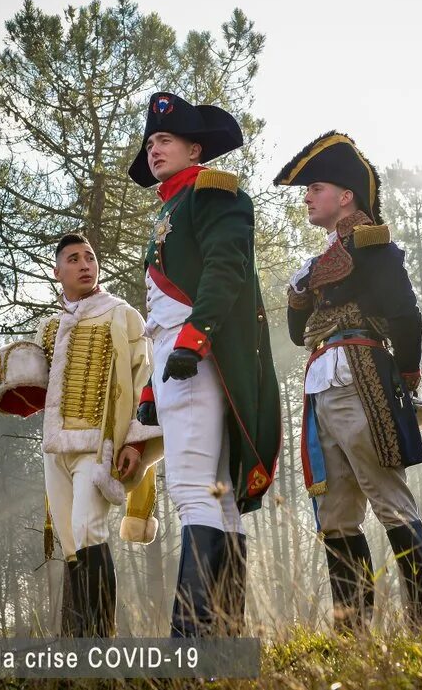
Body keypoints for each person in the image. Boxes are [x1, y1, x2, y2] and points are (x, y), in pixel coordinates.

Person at [127, 92, 282, 637]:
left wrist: (194, 339)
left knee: (193, 490)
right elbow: (159, 312)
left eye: (165, 140)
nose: (154, 149)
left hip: (198, 355)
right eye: (150, 142)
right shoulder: (171, 206)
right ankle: (221, 639)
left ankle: (188, 643)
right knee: (217, 496)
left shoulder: (212, 192)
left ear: (195, 149)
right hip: (176, 355)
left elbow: (226, 267)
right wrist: (152, 384)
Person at [275, 131, 422, 630]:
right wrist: (299, 294)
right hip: (321, 383)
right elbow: (299, 332)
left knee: (390, 501)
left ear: (346, 195)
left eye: (316, 187)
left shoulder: (373, 244)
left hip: (361, 376)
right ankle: (352, 633)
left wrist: (405, 380)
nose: (307, 196)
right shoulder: (314, 263)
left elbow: (405, 316)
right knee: (336, 516)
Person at [0, 232, 163, 636]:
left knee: (87, 531)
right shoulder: (49, 328)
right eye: (74, 259)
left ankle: (100, 643)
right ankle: (76, 645)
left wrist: (134, 441)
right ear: (57, 271)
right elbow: (30, 387)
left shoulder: (124, 316)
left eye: (90, 257)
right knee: (70, 541)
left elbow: (144, 382)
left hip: (100, 447)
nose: (85, 264)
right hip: (55, 449)